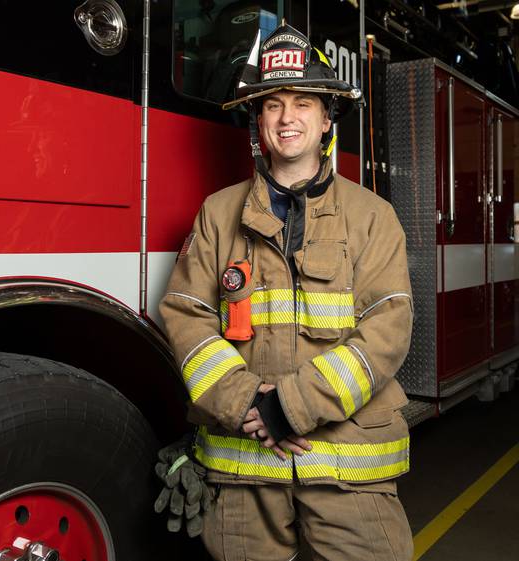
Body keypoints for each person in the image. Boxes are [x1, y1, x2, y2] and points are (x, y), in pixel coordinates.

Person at [159, 22, 414, 561]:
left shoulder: (374, 218)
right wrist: (248, 402)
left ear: (327, 120)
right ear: (259, 121)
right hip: (245, 469)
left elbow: (387, 331)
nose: (287, 117)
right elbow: (187, 316)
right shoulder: (218, 214)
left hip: (348, 468)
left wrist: (290, 408)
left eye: (303, 102)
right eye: (272, 104)